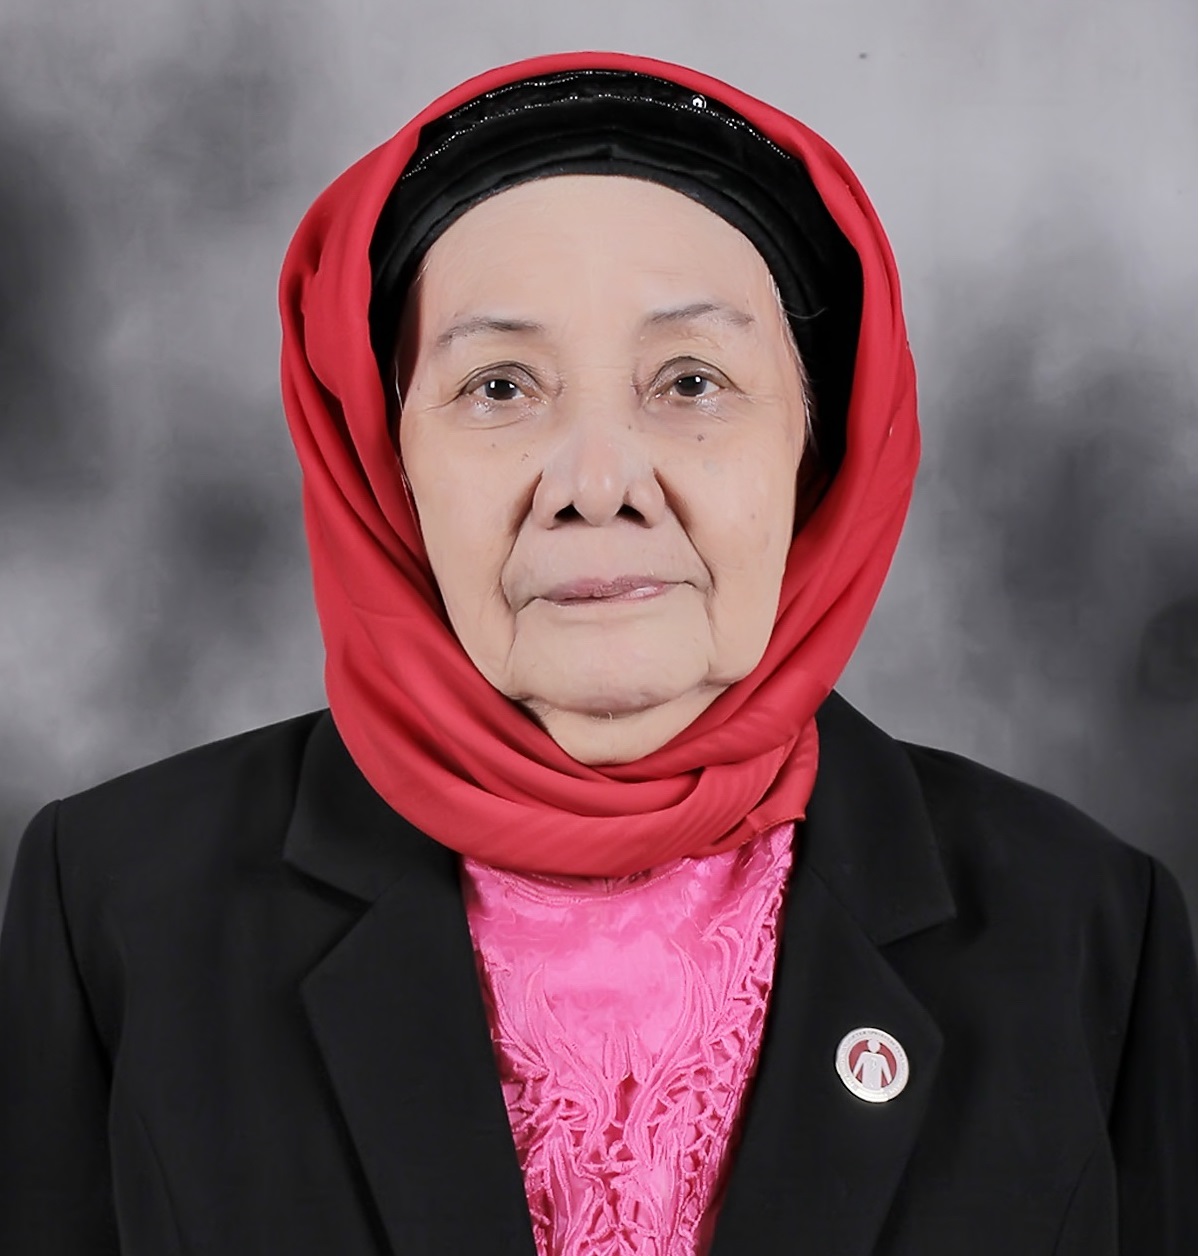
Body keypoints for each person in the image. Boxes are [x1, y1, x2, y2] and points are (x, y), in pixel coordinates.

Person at [0, 49, 1193, 1256]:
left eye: (692, 380)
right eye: (499, 386)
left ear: (818, 448)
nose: (598, 481)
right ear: (384, 463)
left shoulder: (1088, 927)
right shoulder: (116, 907)